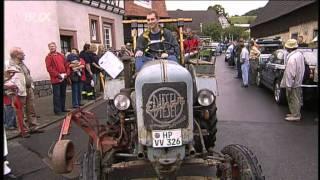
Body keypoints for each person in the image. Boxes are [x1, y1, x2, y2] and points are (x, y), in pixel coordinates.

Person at [8, 47, 40, 131]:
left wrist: (31, 85)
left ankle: (33, 127)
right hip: (18, 92)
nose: (24, 55)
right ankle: (23, 130)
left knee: (31, 109)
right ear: (16, 55)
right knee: (20, 112)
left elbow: (28, 74)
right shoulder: (9, 65)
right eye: (22, 54)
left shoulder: (22, 64)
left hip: (28, 89)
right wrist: (12, 91)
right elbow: (7, 80)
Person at [280, 39, 305, 121]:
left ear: (289, 48)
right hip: (298, 81)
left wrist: (289, 85)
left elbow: (290, 74)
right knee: (297, 98)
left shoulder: (292, 58)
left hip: (293, 83)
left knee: (293, 98)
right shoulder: (299, 54)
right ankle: (294, 113)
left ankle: (296, 115)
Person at [45, 42, 69, 115]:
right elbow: (49, 68)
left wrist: (66, 74)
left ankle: (62, 108)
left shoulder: (61, 55)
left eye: (53, 46)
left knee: (63, 94)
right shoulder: (48, 57)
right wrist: (58, 75)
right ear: (49, 48)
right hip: (56, 79)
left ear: (56, 47)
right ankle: (57, 110)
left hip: (63, 77)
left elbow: (66, 65)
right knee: (57, 95)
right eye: (50, 46)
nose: (52, 47)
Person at [4, 66, 19, 130]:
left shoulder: (9, 78)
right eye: (11, 73)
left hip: (11, 94)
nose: (12, 74)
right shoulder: (6, 77)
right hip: (7, 95)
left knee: (12, 109)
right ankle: (9, 124)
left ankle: (13, 123)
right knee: (9, 109)